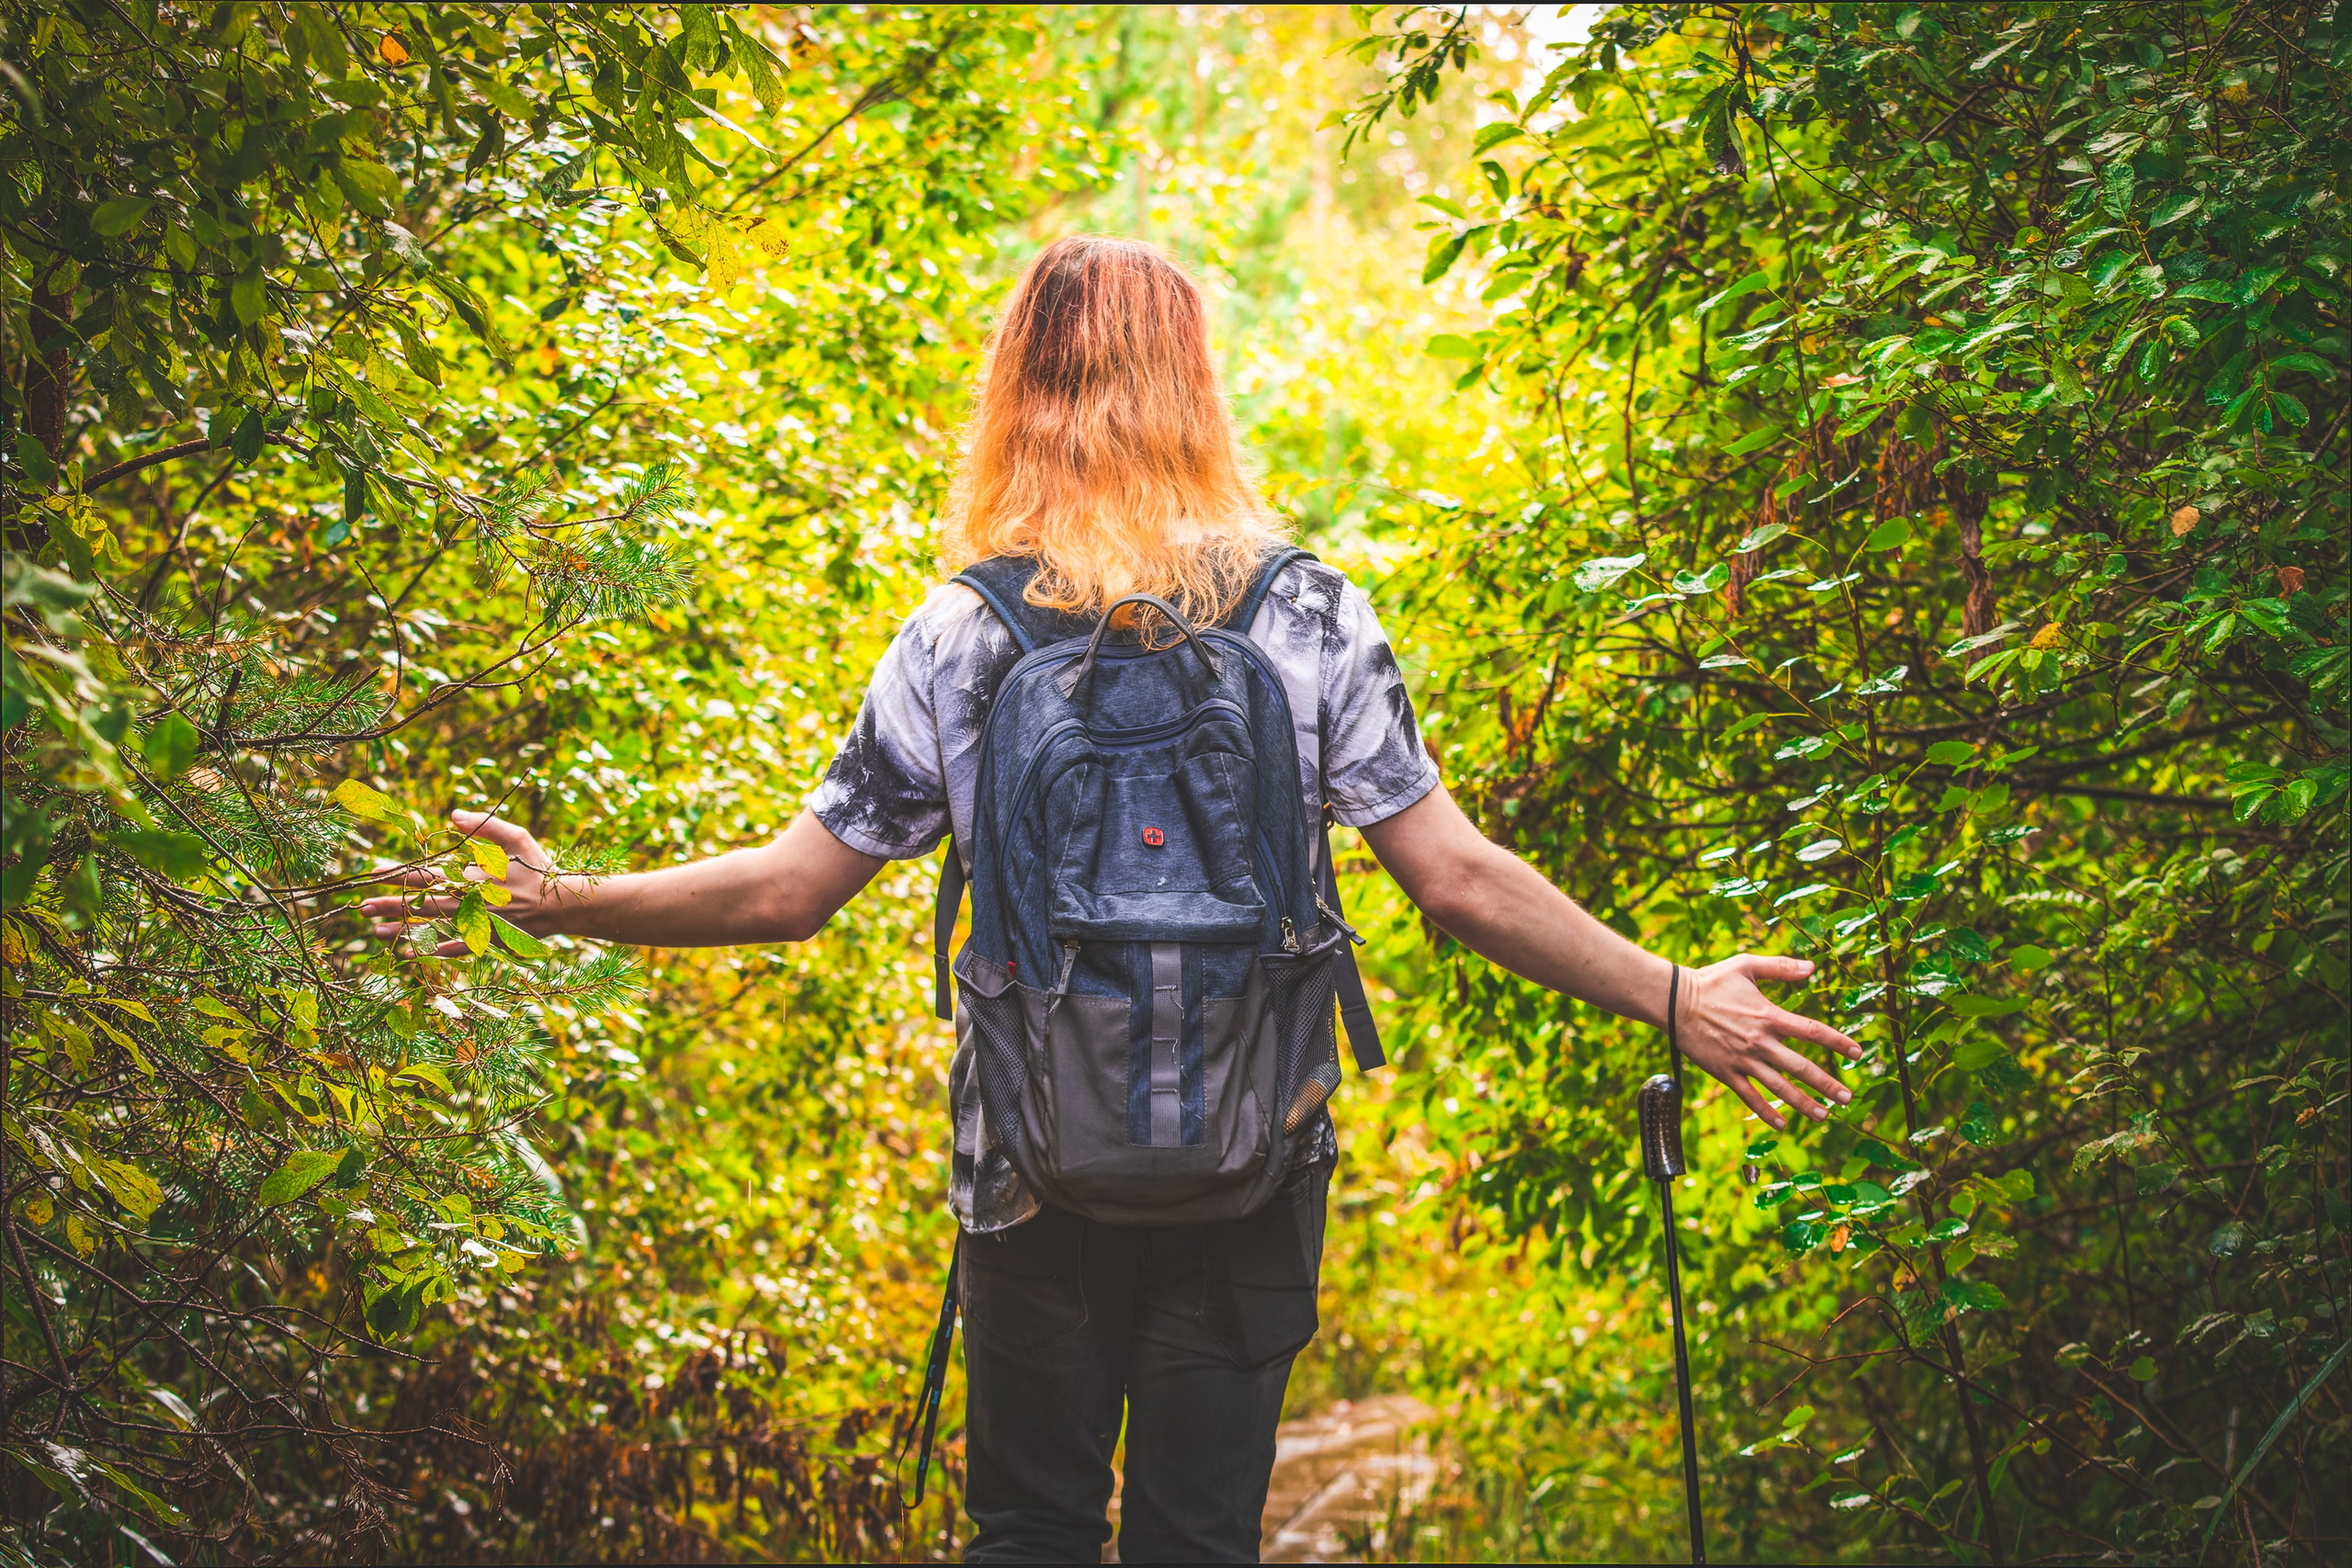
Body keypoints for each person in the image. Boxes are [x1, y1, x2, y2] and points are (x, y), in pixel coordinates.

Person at [362, 234, 1860, 1563]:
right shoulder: (1310, 618)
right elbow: (1456, 882)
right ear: (1196, 389)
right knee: (1200, 1540)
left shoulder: (963, 635)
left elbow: (784, 892)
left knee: (1029, 1531)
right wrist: (1678, 995)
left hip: (1027, 1171)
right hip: (1257, 1164)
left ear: (1019, 392)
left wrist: (555, 900)